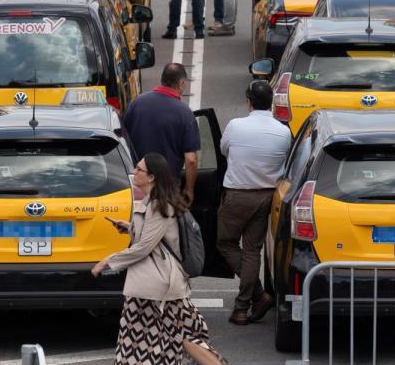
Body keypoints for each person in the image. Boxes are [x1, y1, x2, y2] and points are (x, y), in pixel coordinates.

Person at [92, 154, 226, 365]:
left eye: (139, 170)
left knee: (141, 344)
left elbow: (144, 248)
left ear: (152, 177)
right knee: (179, 336)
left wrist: (108, 260)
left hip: (154, 286)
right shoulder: (157, 202)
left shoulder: (158, 206)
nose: (134, 173)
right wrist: (129, 227)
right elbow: (155, 237)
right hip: (156, 286)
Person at [217, 81, 292, 326]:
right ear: (271, 102)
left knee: (225, 242)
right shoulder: (283, 131)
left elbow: (224, 151)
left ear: (249, 101)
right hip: (267, 198)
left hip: (238, 194)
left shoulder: (235, 126)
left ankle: (256, 296)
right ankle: (243, 306)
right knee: (252, 250)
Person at [122, 63, 200, 200]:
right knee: (165, 219)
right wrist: (189, 190)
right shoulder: (185, 113)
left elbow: (123, 139)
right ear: (181, 84)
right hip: (167, 187)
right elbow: (191, 160)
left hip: (138, 182)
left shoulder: (136, 103)